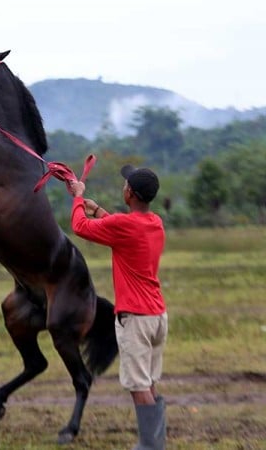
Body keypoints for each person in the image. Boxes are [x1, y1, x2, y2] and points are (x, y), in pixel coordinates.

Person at [67, 165, 167, 450]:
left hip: (135, 318)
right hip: (158, 316)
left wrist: (77, 198)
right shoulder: (154, 222)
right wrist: (97, 209)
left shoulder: (125, 226)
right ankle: (155, 443)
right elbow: (121, 229)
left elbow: (79, 227)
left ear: (130, 194)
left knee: (138, 387)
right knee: (148, 383)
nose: (123, 187)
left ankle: (150, 447)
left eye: (125, 184)